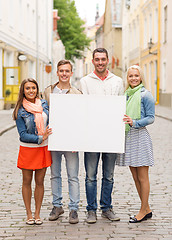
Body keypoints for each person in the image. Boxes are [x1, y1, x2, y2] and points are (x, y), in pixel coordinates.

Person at [80, 48, 124, 223]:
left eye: (103, 59)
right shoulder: (85, 81)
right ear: (93, 61)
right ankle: (91, 210)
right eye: (97, 59)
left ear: (108, 61)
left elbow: (122, 106)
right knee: (90, 176)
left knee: (109, 175)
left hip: (111, 135)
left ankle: (106, 207)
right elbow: (82, 109)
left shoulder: (118, 81)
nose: (100, 62)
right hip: (91, 136)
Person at [43, 60, 81, 224]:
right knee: (55, 175)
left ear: (71, 73)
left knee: (73, 176)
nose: (64, 73)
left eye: (67, 71)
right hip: (54, 140)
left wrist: (77, 141)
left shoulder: (77, 93)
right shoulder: (47, 92)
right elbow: (42, 114)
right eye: (61, 71)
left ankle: (74, 208)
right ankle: (57, 206)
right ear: (57, 73)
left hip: (71, 142)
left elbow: (80, 119)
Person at [116, 65, 155, 223]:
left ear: (141, 77)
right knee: (135, 176)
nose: (133, 78)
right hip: (128, 137)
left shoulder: (146, 95)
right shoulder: (125, 95)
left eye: (136, 76)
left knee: (143, 177)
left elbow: (151, 117)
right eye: (130, 76)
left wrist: (135, 122)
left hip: (140, 136)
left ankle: (142, 210)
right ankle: (147, 208)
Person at [13, 78, 52, 225]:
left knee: (40, 182)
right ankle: (28, 213)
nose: (31, 91)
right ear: (23, 90)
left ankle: (37, 214)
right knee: (27, 181)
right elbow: (22, 134)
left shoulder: (43, 104)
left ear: (37, 89)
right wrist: (40, 137)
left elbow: (52, 122)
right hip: (28, 149)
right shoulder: (19, 109)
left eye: (33, 88)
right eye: (28, 88)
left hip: (43, 149)